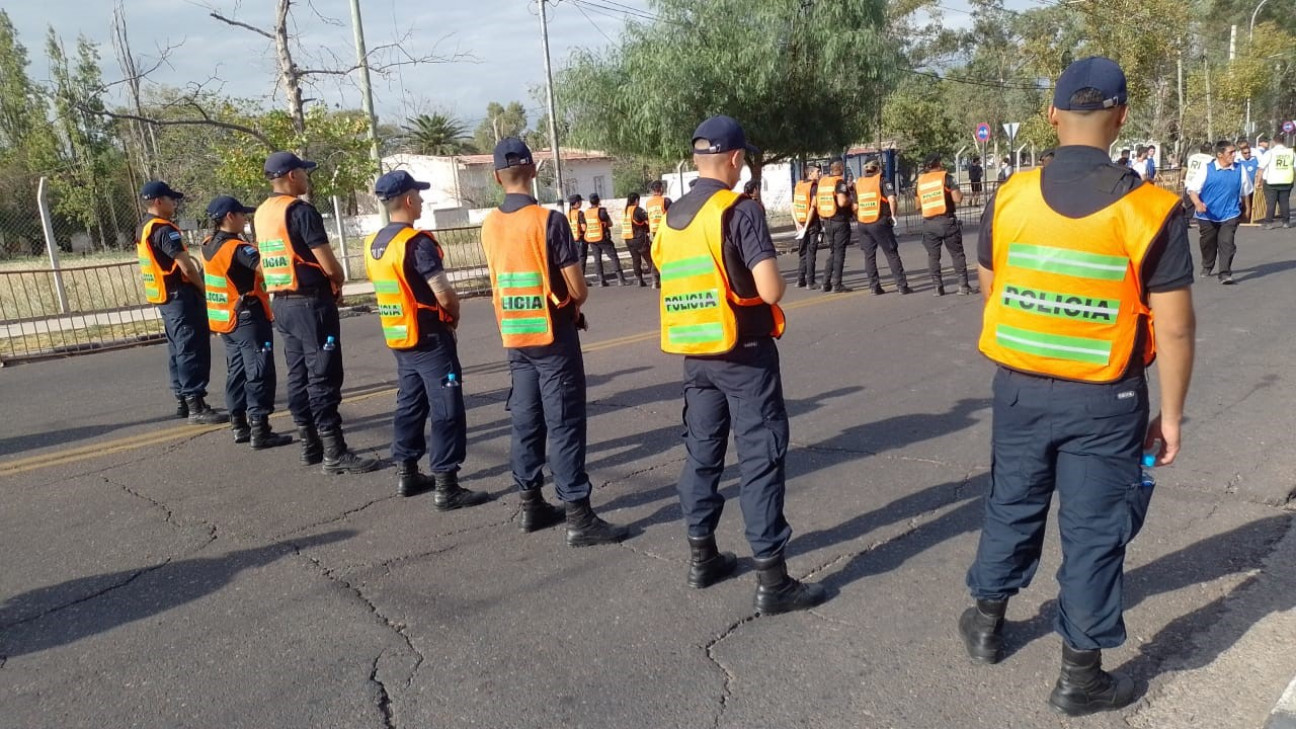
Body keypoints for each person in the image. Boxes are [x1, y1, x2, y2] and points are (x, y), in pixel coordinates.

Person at [960, 56, 1196, 718]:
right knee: (1093, 532)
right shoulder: (1150, 210)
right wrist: (1171, 416)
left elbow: (993, 289)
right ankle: (1080, 674)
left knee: (1012, 500)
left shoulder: (1009, 196)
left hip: (1019, 387)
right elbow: (1174, 332)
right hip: (1106, 400)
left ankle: (985, 620)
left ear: (1052, 114)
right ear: (1121, 118)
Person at [652, 115, 826, 615]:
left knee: (702, 455)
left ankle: (702, 556)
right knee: (759, 458)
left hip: (696, 356)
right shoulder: (738, 211)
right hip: (744, 356)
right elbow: (769, 289)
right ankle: (773, 580)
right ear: (733, 159)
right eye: (743, 156)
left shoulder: (670, 217)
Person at [480, 138, 628, 546]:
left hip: (515, 335)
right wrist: (575, 302)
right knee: (563, 423)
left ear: (496, 177)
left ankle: (531, 504)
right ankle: (578, 516)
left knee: (526, 420)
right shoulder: (549, 221)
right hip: (552, 334)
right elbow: (577, 288)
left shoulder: (489, 224)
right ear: (533, 171)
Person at [364, 171, 491, 508]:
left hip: (400, 335)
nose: (420, 201)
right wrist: (453, 317)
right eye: (417, 196)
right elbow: (443, 292)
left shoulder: (375, 243)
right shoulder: (416, 243)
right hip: (430, 337)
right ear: (407, 200)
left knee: (410, 403)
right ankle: (447, 486)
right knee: (447, 408)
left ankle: (407, 472)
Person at [255, 151, 377, 474]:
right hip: (310, 303)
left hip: (281, 302)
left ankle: (310, 443)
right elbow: (327, 262)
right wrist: (339, 279)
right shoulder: (300, 211)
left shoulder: (263, 213)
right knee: (323, 375)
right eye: (304, 173)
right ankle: (334, 451)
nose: (308, 178)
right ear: (292, 175)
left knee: (298, 374)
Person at [201, 196, 291, 448]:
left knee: (237, 372)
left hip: (226, 320)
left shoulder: (208, 244)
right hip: (248, 317)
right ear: (230, 217)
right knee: (259, 371)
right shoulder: (238, 249)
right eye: (242, 215)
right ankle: (260, 429)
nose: (245, 218)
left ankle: (239, 425)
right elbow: (268, 269)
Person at [136, 181, 227, 425]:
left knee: (178, 348)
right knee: (191, 349)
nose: (174, 203)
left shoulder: (144, 227)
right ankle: (196, 404)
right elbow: (186, 266)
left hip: (164, 296)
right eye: (171, 199)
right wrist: (203, 289)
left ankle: (183, 400)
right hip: (180, 295)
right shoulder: (165, 230)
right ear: (158, 201)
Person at [1187, 140, 1252, 285]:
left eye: (1235, 152)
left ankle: (1225, 273)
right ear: (1219, 154)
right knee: (1208, 243)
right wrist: (1197, 203)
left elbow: (1245, 192)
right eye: (1231, 152)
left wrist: (1247, 209)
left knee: (1227, 243)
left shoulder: (1240, 169)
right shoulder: (1206, 169)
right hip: (1207, 214)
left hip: (1230, 213)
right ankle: (1207, 264)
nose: (1234, 155)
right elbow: (1192, 190)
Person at [917, 154, 974, 296]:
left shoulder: (920, 181)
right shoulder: (946, 177)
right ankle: (963, 286)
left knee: (933, 256)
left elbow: (917, 205)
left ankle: (938, 287)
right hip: (947, 221)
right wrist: (960, 195)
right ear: (938, 163)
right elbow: (957, 198)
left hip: (929, 223)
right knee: (957, 254)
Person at [853, 159, 912, 295]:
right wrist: (893, 215)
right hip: (879, 222)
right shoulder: (882, 181)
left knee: (869, 256)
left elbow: (855, 206)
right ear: (878, 168)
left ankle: (874, 287)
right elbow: (892, 199)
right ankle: (902, 286)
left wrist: (861, 216)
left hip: (863, 223)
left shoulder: (859, 183)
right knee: (891, 253)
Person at [817, 160, 854, 293]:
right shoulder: (839, 182)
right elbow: (842, 201)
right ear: (841, 168)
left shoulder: (824, 181)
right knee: (839, 254)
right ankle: (837, 284)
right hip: (839, 221)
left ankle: (825, 283)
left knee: (833, 252)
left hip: (827, 221)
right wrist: (851, 198)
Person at [582, 193, 628, 287]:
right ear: (598, 201)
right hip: (602, 237)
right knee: (613, 256)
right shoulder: (601, 211)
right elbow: (610, 224)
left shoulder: (586, 212)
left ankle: (601, 280)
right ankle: (620, 279)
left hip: (591, 238)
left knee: (597, 259)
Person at [792, 165, 823, 289]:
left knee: (802, 252)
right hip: (811, 224)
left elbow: (793, 205)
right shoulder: (813, 187)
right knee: (811, 252)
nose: (819, 174)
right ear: (810, 174)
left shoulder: (799, 185)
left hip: (800, 222)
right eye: (817, 172)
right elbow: (813, 207)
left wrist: (797, 224)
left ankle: (800, 280)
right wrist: (806, 227)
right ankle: (810, 282)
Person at [1258, 134, 1293, 229]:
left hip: (1272, 182)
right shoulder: (1291, 153)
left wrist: (1258, 181)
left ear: (1274, 141)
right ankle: (1286, 222)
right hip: (1286, 181)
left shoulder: (1270, 153)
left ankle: (1269, 223)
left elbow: (1261, 168)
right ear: (1284, 141)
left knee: (1271, 203)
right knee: (1284, 202)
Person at [621, 192, 656, 287]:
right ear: (636, 200)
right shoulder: (637, 210)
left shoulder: (624, 211)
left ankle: (639, 280)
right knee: (649, 258)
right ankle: (655, 280)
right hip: (639, 238)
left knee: (636, 260)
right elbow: (648, 219)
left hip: (628, 239)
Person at [1236, 139, 1261, 222]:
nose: (1247, 154)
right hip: (1243, 186)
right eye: (1245, 153)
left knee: (1252, 202)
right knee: (1243, 203)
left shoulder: (1256, 159)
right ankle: (1242, 217)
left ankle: (1250, 218)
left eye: (1248, 152)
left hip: (1253, 185)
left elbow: (1260, 170)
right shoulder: (1238, 161)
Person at [567, 194, 588, 276]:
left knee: (574, 260)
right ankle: (581, 279)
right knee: (582, 259)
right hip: (580, 240)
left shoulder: (568, 214)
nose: (581, 203)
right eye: (580, 201)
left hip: (572, 240)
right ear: (577, 203)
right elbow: (584, 227)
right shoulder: (580, 213)